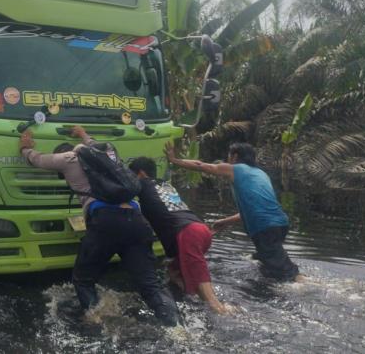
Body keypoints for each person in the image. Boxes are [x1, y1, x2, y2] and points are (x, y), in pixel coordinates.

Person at [19, 126, 179, 326]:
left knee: (83, 280)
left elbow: (38, 159)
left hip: (105, 221)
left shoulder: (68, 159)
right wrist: (83, 133)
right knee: (151, 286)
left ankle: (97, 324)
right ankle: (178, 329)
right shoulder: (106, 155)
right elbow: (92, 142)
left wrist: (25, 148)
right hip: (137, 220)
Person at [164, 141, 302, 282]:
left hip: (264, 226)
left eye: (229, 155)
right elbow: (252, 209)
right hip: (280, 223)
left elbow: (202, 166)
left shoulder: (236, 169)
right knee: (268, 261)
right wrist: (224, 222)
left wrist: (175, 160)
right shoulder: (261, 174)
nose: (228, 159)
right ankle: (274, 277)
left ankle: (303, 283)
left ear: (235, 156)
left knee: (285, 270)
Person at [128, 157, 227, 314]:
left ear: (140, 174)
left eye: (131, 175)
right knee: (174, 273)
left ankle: (223, 312)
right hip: (200, 229)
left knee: (210, 297)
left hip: (188, 233)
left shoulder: (142, 183)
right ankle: (193, 305)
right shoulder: (166, 185)